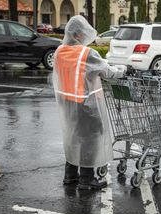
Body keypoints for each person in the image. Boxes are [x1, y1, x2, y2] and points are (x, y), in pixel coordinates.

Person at [52, 15, 127, 190]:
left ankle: (70, 176)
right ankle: (86, 180)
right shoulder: (87, 53)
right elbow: (107, 72)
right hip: (85, 104)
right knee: (90, 139)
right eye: (83, 33)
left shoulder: (60, 51)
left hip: (66, 102)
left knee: (73, 137)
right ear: (77, 35)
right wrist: (123, 69)